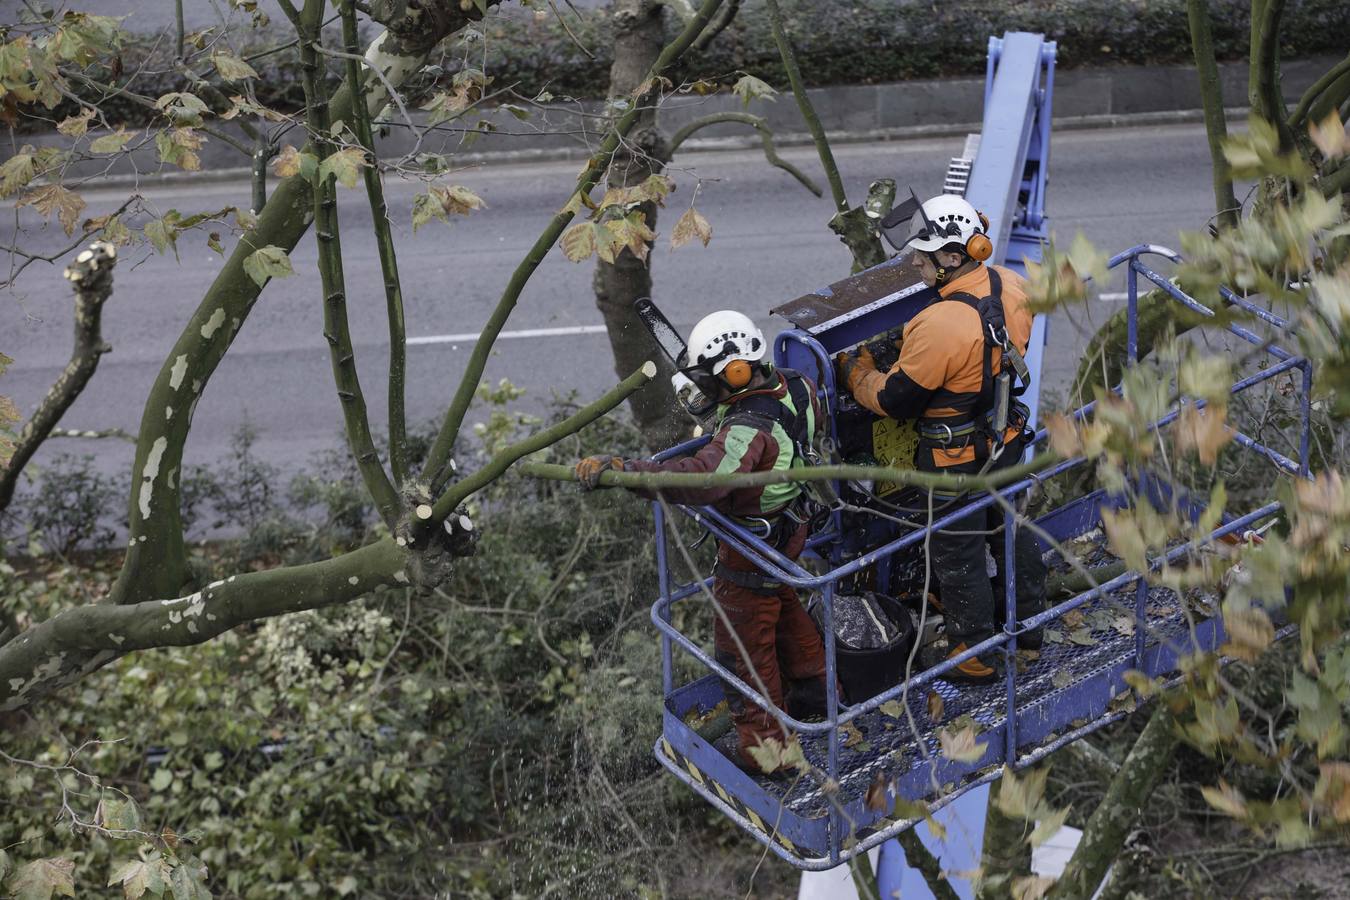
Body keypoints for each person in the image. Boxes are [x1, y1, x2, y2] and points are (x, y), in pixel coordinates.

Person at [574, 310, 829, 774]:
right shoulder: (797, 386)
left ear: (735, 372)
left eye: (713, 383)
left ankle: (768, 751)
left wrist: (628, 471)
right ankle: (816, 689)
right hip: (791, 531)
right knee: (783, 604)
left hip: (753, 546)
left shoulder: (749, 428)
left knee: (741, 647)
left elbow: (708, 480)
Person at [836, 193, 1047, 685]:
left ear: (953, 257)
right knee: (1011, 529)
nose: (914, 262)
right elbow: (974, 341)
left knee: (959, 549)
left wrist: (856, 372)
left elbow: (892, 399)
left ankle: (972, 653)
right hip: (1005, 440)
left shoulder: (939, 324)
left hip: (954, 456)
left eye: (923, 256)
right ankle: (1029, 630)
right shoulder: (1012, 285)